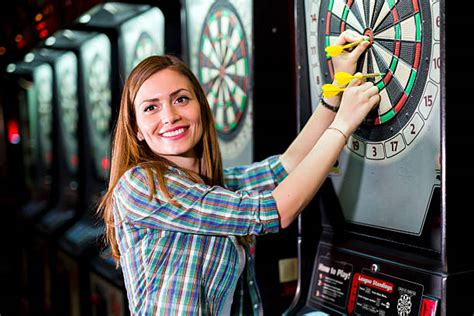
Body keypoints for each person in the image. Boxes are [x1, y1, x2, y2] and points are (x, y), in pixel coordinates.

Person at [97, 30, 379, 315]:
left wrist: (338, 88)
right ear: (136, 129)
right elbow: (276, 210)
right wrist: (343, 125)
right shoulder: (142, 185)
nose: (170, 116)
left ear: (201, 107)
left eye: (181, 99)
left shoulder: (216, 186)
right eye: (151, 108)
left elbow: (288, 165)